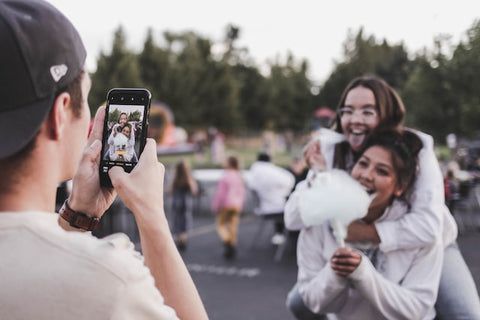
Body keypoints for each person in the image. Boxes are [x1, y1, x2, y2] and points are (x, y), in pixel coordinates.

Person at [0, 1, 208, 319]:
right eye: (86, 98)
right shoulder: (109, 280)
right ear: (60, 114)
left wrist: (78, 216)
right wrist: (151, 214)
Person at [284, 75, 480, 319]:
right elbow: (293, 218)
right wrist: (319, 176)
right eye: (347, 110)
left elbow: (428, 228)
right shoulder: (331, 147)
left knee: (464, 314)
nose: (355, 120)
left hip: (424, 241)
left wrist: (362, 233)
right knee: (299, 302)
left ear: (386, 116)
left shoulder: (415, 148)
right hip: (358, 243)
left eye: (367, 111)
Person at [290, 130, 444, 319]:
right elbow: (314, 302)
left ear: (399, 188)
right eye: (362, 164)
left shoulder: (420, 232)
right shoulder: (322, 220)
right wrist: (334, 273)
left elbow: (416, 309)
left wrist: (363, 273)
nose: (366, 175)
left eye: (382, 171)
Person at [249, 152, 295, 245]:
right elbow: (289, 181)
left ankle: (279, 234)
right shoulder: (272, 172)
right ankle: (292, 240)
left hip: (264, 206)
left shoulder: (254, 172)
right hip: (275, 208)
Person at [211, 155, 246, 259]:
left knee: (220, 224)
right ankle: (232, 243)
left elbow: (220, 193)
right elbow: (242, 192)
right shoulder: (239, 176)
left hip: (226, 204)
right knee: (232, 226)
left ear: (229, 164)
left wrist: (215, 205)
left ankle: (227, 241)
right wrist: (241, 204)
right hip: (236, 205)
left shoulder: (225, 176)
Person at [168, 160, 198, 251]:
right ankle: (183, 238)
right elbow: (194, 191)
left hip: (176, 203)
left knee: (177, 220)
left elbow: (169, 191)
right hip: (186, 203)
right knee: (185, 221)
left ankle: (178, 238)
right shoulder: (188, 179)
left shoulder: (175, 179)